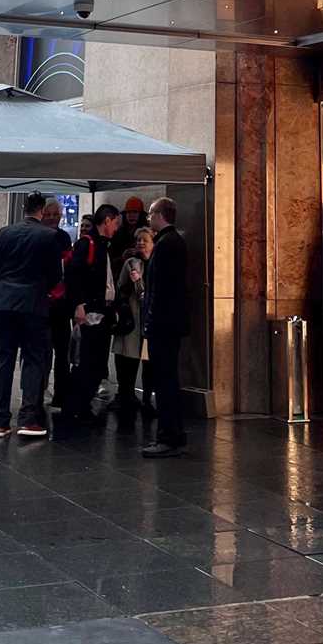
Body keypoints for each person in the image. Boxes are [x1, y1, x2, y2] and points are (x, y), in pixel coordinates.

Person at [0, 190, 59, 439]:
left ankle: (0, 421)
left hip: (5, 302)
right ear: (41, 210)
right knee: (33, 359)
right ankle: (28, 418)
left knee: (4, 360)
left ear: (24, 208)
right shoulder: (48, 236)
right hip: (33, 303)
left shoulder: (5, 233)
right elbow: (55, 274)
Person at [58, 203, 122, 434]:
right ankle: (75, 407)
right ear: (107, 220)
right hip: (91, 313)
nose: (116, 227)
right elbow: (74, 275)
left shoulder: (102, 245)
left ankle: (80, 407)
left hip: (100, 312)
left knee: (94, 364)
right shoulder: (89, 244)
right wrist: (79, 305)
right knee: (86, 362)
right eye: (115, 223)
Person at [142, 196, 189, 457]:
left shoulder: (167, 244)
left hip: (164, 324)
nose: (148, 219)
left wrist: (150, 321)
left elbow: (160, 289)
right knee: (167, 378)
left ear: (160, 214)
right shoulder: (173, 242)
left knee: (165, 380)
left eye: (150, 214)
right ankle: (173, 434)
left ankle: (168, 436)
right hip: (170, 323)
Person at [112, 226, 154, 428]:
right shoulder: (131, 263)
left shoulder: (154, 264)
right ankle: (125, 394)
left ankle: (146, 398)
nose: (140, 244)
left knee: (147, 362)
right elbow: (121, 289)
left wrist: (140, 285)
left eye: (144, 240)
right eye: (138, 240)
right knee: (126, 358)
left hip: (149, 321)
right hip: (131, 319)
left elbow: (148, 294)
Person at [40, 198, 73, 410]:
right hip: (41, 303)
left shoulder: (63, 237)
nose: (52, 217)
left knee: (62, 352)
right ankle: (38, 391)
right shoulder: (39, 237)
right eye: (48, 214)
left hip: (60, 304)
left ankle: (61, 394)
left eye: (55, 214)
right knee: (41, 351)